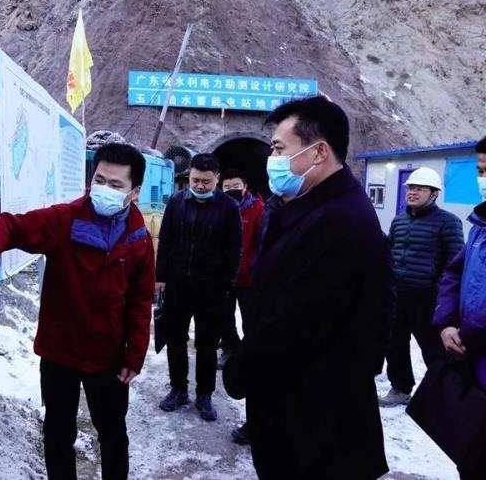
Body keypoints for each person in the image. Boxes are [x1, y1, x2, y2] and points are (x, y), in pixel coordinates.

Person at [0, 142, 154, 480]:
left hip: (109, 355)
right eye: (99, 180)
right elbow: (11, 226)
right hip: (60, 352)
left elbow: (140, 300)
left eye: (115, 185)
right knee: (58, 434)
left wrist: (134, 354)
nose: (104, 189)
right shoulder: (64, 220)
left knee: (113, 433)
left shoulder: (139, 238)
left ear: (134, 192)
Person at [222, 96, 395, 480]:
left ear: (318, 153)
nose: (272, 159)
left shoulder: (337, 222)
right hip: (306, 410)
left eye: (279, 149)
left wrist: (240, 369)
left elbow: (292, 324)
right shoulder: (316, 206)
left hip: (314, 425)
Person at [155, 153, 242, 422]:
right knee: (175, 339)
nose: (200, 186)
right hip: (178, 284)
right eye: (195, 180)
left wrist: (226, 284)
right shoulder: (176, 202)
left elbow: (234, 250)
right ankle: (178, 389)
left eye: (206, 181)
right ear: (188, 177)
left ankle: (204, 395)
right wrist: (161, 277)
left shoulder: (228, 207)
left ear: (217, 179)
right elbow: (165, 241)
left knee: (207, 343)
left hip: (211, 288)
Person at [379, 167, 464, 407]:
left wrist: (439, 292)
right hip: (398, 293)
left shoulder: (448, 222)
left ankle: (444, 393)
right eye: (410, 188)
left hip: (428, 297)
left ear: (434, 194)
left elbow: (455, 262)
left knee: (434, 348)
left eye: (419, 189)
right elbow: (390, 253)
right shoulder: (399, 221)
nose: (412, 192)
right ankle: (401, 387)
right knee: (394, 343)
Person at [432, 136, 486, 478]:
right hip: (472, 361)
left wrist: (468, 333)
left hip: (474, 345)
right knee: (472, 455)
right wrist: (447, 322)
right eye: (482, 170)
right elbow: (455, 272)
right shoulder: (480, 225)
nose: (483, 179)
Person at [216, 168, 265, 367]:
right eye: (227, 187)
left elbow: (263, 243)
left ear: (245, 187)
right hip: (224, 276)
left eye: (236, 186)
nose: (231, 190)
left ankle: (250, 353)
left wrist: (253, 266)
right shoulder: (218, 207)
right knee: (224, 317)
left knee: (250, 318)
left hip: (248, 277)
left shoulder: (258, 209)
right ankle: (230, 349)